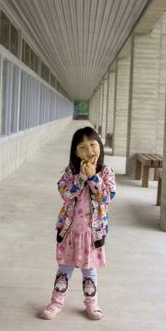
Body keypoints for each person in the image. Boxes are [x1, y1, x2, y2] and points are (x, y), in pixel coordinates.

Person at [41, 126, 115, 320]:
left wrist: (93, 177)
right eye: (82, 147)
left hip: (92, 235)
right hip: (69, 232)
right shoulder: (71, 172)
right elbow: (65, 193)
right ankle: (56, 302)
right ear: (76, 151)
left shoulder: (106, 173)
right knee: (64, 269)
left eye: (93, 144)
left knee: (89, 271)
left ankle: (92, 304)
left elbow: (106, 197)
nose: (89, 150)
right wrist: (82, 177)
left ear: (99, 145)